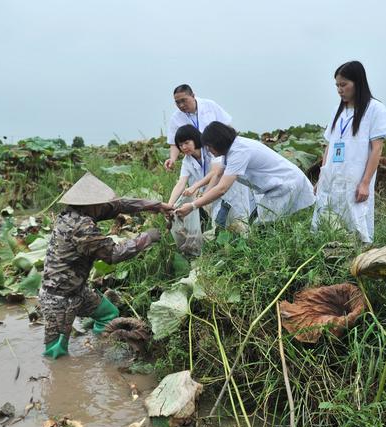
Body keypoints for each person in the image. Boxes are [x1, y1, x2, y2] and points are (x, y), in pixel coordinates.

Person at [39, 172, 172, 359]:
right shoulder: (80, 226)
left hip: (77, 290)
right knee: (56, 354)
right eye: (100, 202)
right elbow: (113, 254)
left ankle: (99, 353)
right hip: (58, 298)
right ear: (91, 204)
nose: (104, 206)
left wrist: (155, 205)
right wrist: (147, 237)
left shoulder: (76, 211)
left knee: (108, 313)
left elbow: (119, 205)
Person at [312, 61, 386, 243]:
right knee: (327, 222)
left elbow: (377, 148)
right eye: (337, 86)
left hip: (356, 177)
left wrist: (365, 183)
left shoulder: (375, 109)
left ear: (358, 82)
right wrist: (321, 178)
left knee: (355, 225)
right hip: (332, 175)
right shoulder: (337, 111)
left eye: (344, 84)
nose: (339, 90)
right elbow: (329, 147)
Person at [175, 121, 315, 223]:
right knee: (265, 225)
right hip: (275, 188)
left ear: (218, 142)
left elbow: (222, 188)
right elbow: (218, 174)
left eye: (209, 147)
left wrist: (193, 205)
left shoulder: (239, 152)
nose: (209, 151)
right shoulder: (229, 152)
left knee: (264, 228)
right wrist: (202, 197)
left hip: (286, 184)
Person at [167, 124, 252, 227]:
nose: (184, 147)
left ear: (195, 139)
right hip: (211, 194)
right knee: (220, 225)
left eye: (186, 143)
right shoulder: (187, 160)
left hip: (229, 190)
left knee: (238, 221)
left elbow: (215, 172)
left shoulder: (210, 150)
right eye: (180, 145)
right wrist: (169, 205)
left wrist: (195, 187)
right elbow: (181, 182)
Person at [164, 84, 232, 171]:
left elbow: (227, 127)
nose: (181, 105)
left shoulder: (210, 105)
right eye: (177, 102)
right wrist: (172, 159)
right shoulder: (175, 118)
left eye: (184, 100)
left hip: (217, 152)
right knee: (199, 181)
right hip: (195, 157)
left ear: (193, 96)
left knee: (218, 177)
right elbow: (174, 143)